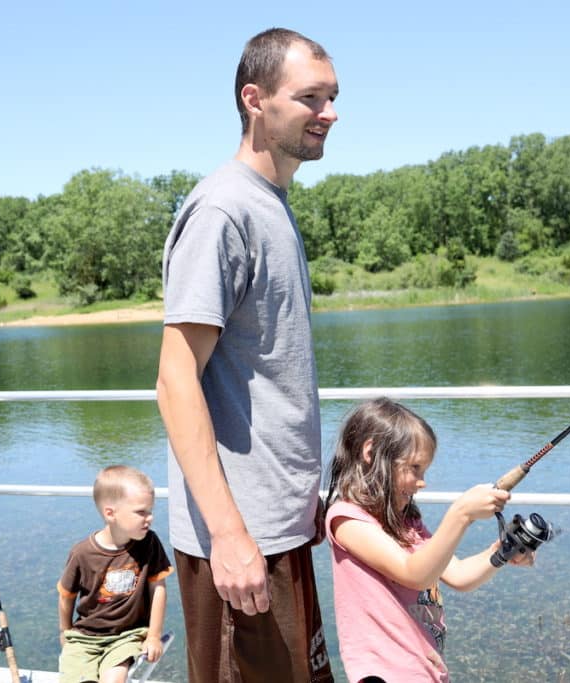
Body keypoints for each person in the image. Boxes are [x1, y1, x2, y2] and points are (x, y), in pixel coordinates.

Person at [155, 27, 338, 683]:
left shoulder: (272, 206)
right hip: (241, 541)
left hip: (280, 525)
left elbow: (264, 376)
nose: (330, 113)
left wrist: (301, 493)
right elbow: (176, 381)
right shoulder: (222, 210)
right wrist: (230, 535)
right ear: (255, 99)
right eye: (311, 97)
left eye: (333, 97)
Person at [325, 398, 537, 683]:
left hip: (425, 671)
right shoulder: (347, 520)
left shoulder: (408, 523)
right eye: (414, 468)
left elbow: (459, 574)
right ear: (371, 452)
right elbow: (415, 574)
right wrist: (461, 514)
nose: (422, 481)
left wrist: (502, 552)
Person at [57, 465, 173, 683]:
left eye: (150, 511)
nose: (150, 518)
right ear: (110, 513)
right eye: (141, 512)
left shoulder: (149, 543)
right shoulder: (81, 553)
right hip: (85, 637)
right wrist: (65, 632)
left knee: (114, 679)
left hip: (126, 636)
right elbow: (66, 596)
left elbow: (158, 589)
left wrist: (154, 636)